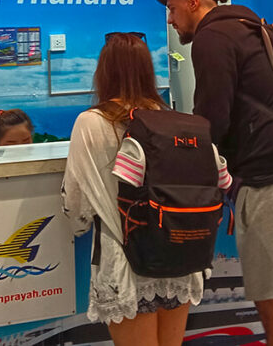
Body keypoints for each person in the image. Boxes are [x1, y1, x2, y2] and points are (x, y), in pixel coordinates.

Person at [154, 0, 273, 346]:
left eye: (171, 9)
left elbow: (211, 120)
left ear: (192, 2)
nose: (170, 20)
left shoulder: (212, 38)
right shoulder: (254, 27)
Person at [62, 33, 212, 346]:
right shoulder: (171, 119)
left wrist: (78, 227)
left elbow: (76, 201)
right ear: (148, 71)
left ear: (103, 72)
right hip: (179, 253)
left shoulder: (91, 122)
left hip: (126, 261)